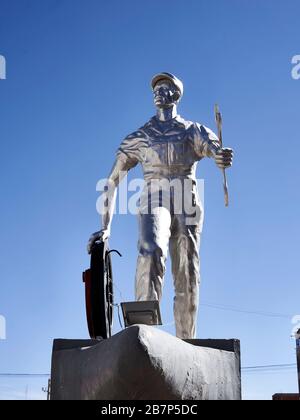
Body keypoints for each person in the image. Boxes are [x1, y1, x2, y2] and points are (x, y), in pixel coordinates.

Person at [88, 73, 233, 339]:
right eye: (156, 88)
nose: (158, 92)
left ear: (176, 95)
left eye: (165, 88)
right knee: (150, 249)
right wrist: (105, 227)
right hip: (154, 196)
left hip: (186, 196)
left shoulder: (192, 131)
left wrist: (221, 158)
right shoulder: (142, 136)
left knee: (187, 273)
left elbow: (216, 151)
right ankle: (144, 335)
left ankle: (186, 342)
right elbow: (111, 181)